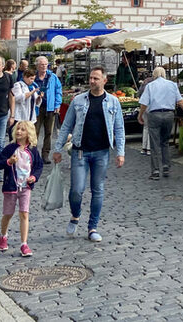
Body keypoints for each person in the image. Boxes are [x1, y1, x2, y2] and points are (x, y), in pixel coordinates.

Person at [53, 67, 125, 242]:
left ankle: (93, 227)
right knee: (76, 190)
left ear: (104, 81)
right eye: (91, 78)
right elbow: (66, 126)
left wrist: (120, 152)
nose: (92, 81)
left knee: (97, 190)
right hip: (80, 152)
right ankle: (75, 215)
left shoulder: (113, 102)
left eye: (96, 78)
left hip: (101, 152)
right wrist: (57, 148)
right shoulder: (78, 100)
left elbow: (119, 128)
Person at [0, 120, 42, 257]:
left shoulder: (33, 150)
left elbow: (38, 166)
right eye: (17, 129)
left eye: (22, 130)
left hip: (26, 187)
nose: (19, 131)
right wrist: (8, 162)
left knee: (24, 213)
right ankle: (3, 235)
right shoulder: (10, 148)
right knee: (8, 214)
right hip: (11, 186)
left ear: (29, 133)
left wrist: (34, 177)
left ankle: (24, 244)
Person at [137, 66, 183, 180]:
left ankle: (155, 171)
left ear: (154, 75)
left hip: (154, 115)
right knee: (165, 142)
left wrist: (140, 115)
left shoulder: (150, 86)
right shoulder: (172, 85)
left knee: (154, 144)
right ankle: (166, 166)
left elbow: (144, 104)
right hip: (169, 115)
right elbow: (180, 101)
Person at [32, 56, 63, 163]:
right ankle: (33, 154)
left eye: (46, 64)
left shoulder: (52, 76)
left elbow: (58, 90)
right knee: (34, 131)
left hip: (50, 108)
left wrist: (57, 105)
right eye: (42, 64)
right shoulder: (33, 77)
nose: (44, 66)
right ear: (37, 65)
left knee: (49, 132)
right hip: (36, 108)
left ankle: (45, 154)